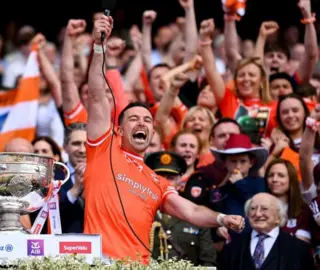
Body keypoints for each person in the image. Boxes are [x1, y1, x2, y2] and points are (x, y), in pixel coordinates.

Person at [83, 15, 244, 262]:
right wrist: (98, 47)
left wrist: (220, 218)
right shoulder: (104, 147)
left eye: (147, 120)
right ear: (119, 130)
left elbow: (190, 210)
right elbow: (96, 95)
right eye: (134, 119)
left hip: (139, 266)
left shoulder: (157, 182)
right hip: (98, 263)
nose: (142, 123)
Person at [145, 151, 216, 266]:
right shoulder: (138, 213)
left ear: (180, 184)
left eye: (171, 178)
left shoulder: (196, 216)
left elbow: (208, 262)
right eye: (159, 177)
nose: (164, 182)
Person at [221, 193, 314, 270]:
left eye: (264, 208)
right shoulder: (233, 247)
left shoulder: (299, 249)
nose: (257, 214)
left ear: (278, 216)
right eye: (253, 208)